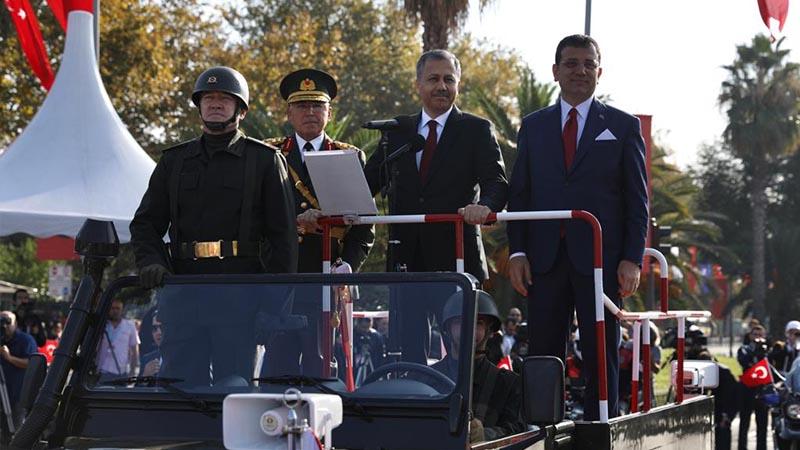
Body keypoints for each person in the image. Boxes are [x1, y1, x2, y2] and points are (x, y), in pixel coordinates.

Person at [506, 34, 649, 420]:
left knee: (602, 350)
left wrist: (632, 259)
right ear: (555, 71)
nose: (580, 71)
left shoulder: (622, 126)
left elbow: (638, 201)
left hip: (602, 262)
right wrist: (517, 251)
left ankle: (599, 426)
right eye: (571, 63)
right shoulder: (533, 127)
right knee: (543, 352)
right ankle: (542, 427)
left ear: (599, 72)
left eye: (588, 64)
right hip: (544, 260)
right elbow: (520, 193)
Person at [129, 66, 298, 386]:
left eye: (224, 98)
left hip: (239, 296)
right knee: (179, 390)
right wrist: (150, 261)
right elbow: (145, 223)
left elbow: (284, 240)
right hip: (184, 294)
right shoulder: (174, 161)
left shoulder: (264, 160)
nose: (215, 103)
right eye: (208, 98)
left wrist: (271, 307)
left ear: (241, 109)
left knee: (233, 393)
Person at [362, 49, 509, 363]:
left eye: (448, 79)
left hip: (457, 259)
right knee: (406, 352)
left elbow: (497, 182)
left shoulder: (476, 129)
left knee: (466, 355)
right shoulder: (397, 131)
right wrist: (336, 207)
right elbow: (367, 183)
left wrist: (484, 206)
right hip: (407, 260)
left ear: (458, 85)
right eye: (433, 79)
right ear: (418, 84)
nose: (441, 86)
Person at [264, 69, 375, 376]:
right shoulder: (268, 153)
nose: (310, 112)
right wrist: (296, 221)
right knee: (276, 368)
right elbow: (256, 214)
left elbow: (364, 224)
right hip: (282, 277)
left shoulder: (348, 156)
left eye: (317, 105)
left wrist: (348, 265)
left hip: (325, 275)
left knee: (322, 367)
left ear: (329, 111)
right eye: (301, 105)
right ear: (289, 112)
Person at [433, 290, 525, 443]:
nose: (468, 329)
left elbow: (517, 430)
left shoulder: (508, 383)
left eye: (478, 323)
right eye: (459, 322)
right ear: (448, 329)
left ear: (489, 331)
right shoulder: (427, 378)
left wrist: (486, 435)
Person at [0, 311, 38, 427]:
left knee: (17, 428)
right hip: (2, 394)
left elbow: (30, 363)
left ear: (15, 324)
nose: (4, 325)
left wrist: (9, 357)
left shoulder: (25, 340)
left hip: (18, 393)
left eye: (7, 321)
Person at [737, 324, 770, 450]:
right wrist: (754, 352)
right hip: (747, 390)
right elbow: (743, 361)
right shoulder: (744, 349)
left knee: (762, 425)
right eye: (755, 335)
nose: (757, 338)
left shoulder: (767, 350)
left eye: (760, 335)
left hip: (762, 391)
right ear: (750, 336)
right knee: (744, 423)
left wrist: (763, 353)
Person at [95, 299, 139, 378]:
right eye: (112, 308)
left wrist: (132, 370)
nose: (115, 311)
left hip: (120, 372)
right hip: (102, 371)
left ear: (122, 310)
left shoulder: (130, 326)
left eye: (118, 308)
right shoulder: (103, 325)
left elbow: (134, 350)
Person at [139, 313, 162, 377]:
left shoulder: (185, 359)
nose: (158, 332)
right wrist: (145, 376)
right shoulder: (147, 359)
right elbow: (138, 386)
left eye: (162, 327)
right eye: (154, 328)